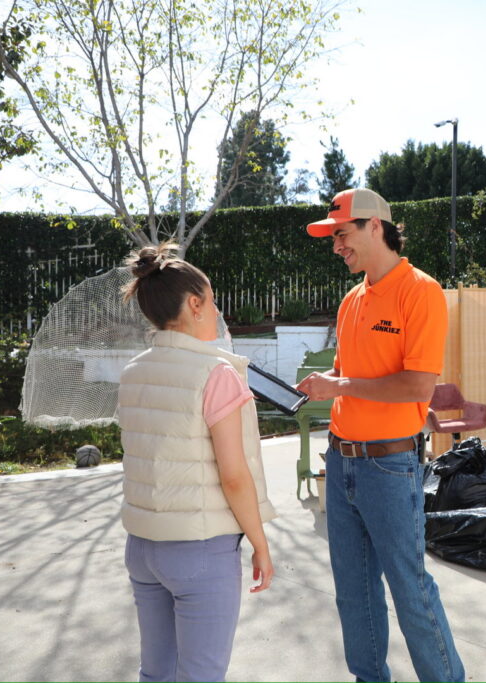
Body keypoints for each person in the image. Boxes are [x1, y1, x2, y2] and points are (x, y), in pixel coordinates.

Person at [299, 188, 465, 683]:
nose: (335, 245)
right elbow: (346, 373)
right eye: (332, 237)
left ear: (376, 227)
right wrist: (318, 386)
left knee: (409, 588)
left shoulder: (421, 290)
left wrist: (341, 384)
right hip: (342, 459)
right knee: (353, 591)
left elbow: (417, 384)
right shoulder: (352, 300)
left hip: (390, 467)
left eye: (341, 234)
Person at [118, 243, 276, 682]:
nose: (219, 311)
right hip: (200, 550)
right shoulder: (216, 373)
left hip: (142, 547)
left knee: (156, 673)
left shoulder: (133, 371)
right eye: (214, 300)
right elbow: (234, 476)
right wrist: (260, 543)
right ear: (194, 304)